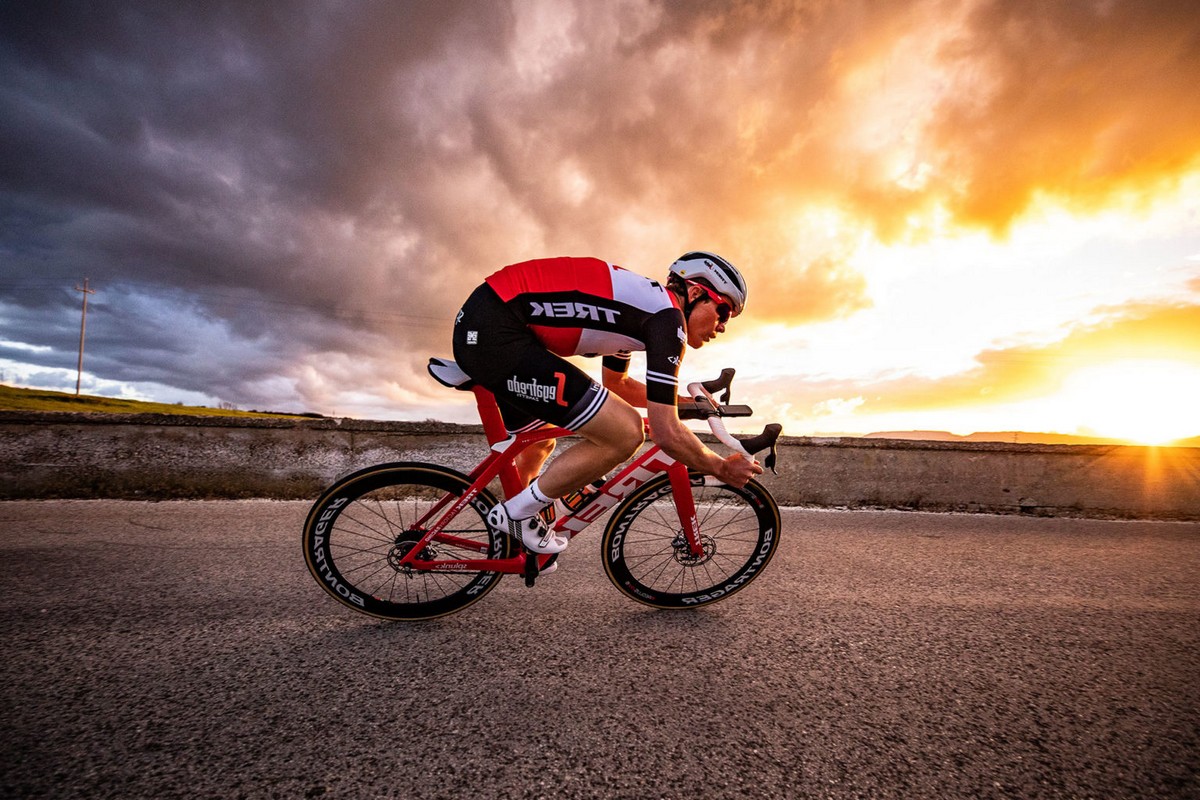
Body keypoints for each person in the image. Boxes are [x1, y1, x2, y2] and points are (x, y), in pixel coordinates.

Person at [452, 252, 762, 555]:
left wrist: (684, 404)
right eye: (724, 312)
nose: (722, 326)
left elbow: (619, 384)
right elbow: (667, 433)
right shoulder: (668, 320)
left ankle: (513, 538)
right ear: (696, 292)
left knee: (539, 444)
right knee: (626, 433)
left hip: (489, 322)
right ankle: (516, 515)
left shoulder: (640, 312)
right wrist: (720, 467)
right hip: (496, 333)